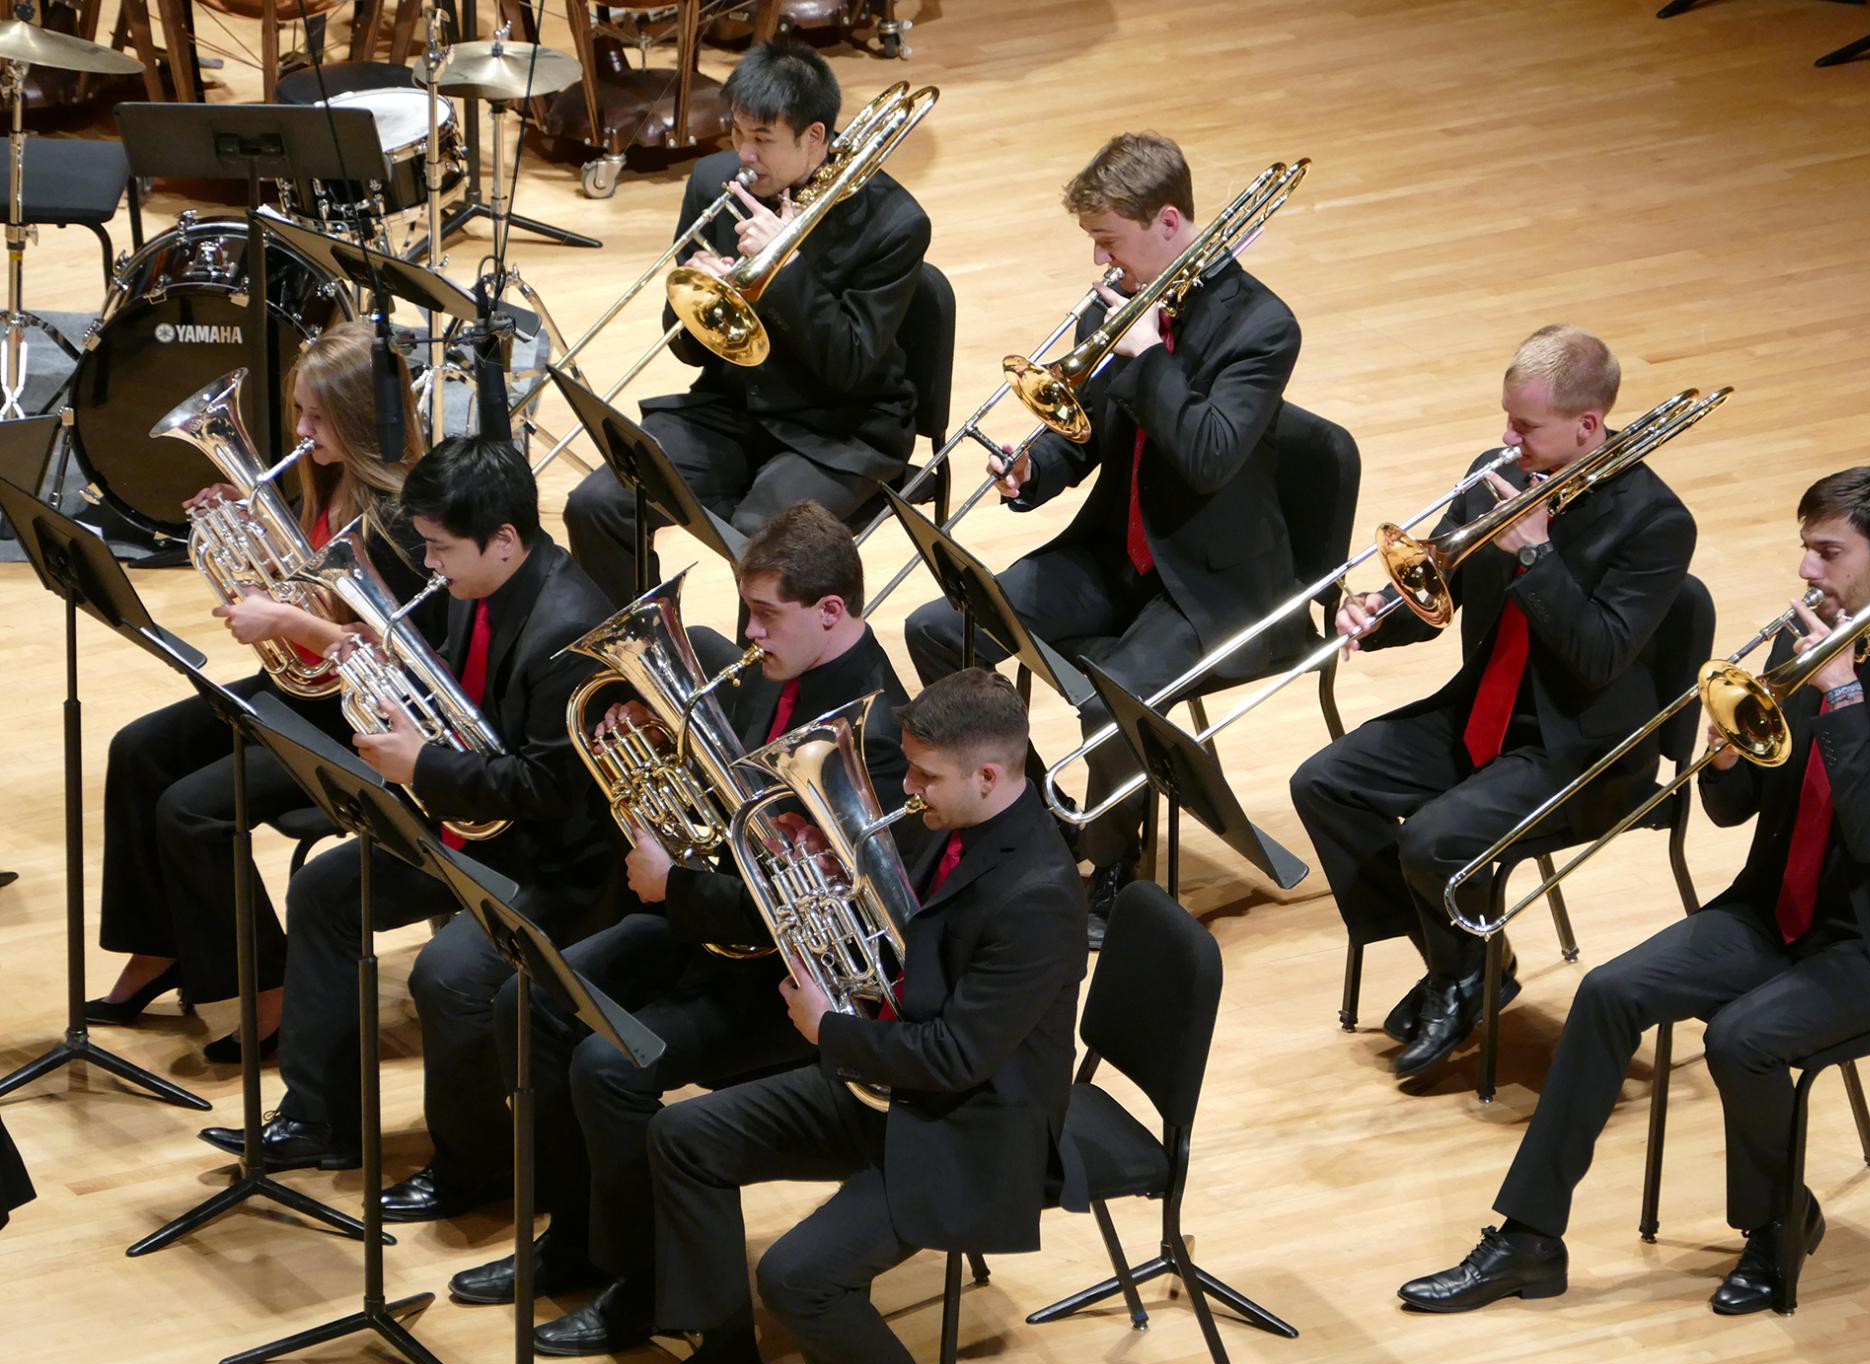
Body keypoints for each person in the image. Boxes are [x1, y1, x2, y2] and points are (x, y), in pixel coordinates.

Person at [1399, 467, 1870, 1316]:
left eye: (1828, 552)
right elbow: (1733, 810)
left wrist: (1847, 695)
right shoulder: (1807, 640)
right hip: (1776, 910)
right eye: (1806, 549)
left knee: (1740, 1039)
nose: (1807, 572)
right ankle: (1528, 1237)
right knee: (1607, 993)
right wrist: (1724, 758)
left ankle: (1777, 1225)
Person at [441, 502, 923, 1357]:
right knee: (531, 994)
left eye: (765, 613)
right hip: (709, 926)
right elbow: (738, 821)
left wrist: (676, 883)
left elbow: (807, 911)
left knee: (608, 1064)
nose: (746, 631)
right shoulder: (781, 670)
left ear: (831, 611)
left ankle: (644, 1286)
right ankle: (578, 1240)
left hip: (787, 982)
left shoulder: (869, 738)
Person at [618, 669, 1084, 1364]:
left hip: (971, 1130)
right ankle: (725, 1361)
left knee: (797, 1276)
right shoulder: (948, 823)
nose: (909, 788)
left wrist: (827, 1029)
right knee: (684, 1135)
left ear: (988, 776)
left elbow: (956, 1056)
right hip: (890, 1083)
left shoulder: (1039, 896)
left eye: (926, 776)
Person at [903, 132, 1305, 940]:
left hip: (1209, 581)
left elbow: (1209, 457)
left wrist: (1150, 356)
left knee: (1111, 699)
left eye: (1108, 241)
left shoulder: (1264, 327)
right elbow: (1086, 431)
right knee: (943, 625)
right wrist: (1035, 467)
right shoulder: (1128, 297)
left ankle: (1112, 866)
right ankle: (1034, 817)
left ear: (1166, 223)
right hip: (1115, 552)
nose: (1100, 263)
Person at [200, 436, 617, 1180]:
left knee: (447, 975)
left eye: (439, 548)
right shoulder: (478, 587)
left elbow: (549, 792)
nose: (427, 564)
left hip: (554, 865)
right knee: (324, 889)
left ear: (505, 541)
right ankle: (319, 1117)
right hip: (473, 829)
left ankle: (472, 1168)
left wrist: (420, 762)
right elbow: (455, 694)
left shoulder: (568, 632)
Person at [1289, 325, 1697, 1077]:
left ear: (1587, 425)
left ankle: (1459, 969)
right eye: (1507, 418)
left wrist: (1538, 553)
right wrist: (1377, 617)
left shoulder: (1656, 524)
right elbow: (1437, 592)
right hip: (1486, 709)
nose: (1506, 439)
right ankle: (1463, 962)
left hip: (1580, 745)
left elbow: (1600, 654)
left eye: (1525, 426)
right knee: (1325, 783)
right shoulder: (1496, 472)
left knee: (1433, 840)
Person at [89, 321, 434, 1062]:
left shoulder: (406, 516)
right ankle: (162, 947)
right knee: (139, 749)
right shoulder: (323, 481)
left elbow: (397, 655)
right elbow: (311, 600)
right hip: (307, 688)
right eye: (298, 413)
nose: (302, 431)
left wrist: (281, 615)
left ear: (360, 421)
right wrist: (247, 537)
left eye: (317, 417)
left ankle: (275, 993)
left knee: (192, 811)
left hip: (361, 718)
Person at [563, 38, 933, 605]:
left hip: (838, 428)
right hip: (735, 407)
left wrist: (784, 272)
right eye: (737, 132)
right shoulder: (716, 183)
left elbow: (849, 365)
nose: (744, 153)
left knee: (767, 550)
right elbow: (687, 348)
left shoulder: (895, 224)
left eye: (762, 139)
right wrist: (705, 292)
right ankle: (648, 661)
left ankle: (757, 689)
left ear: (814, 137)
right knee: (598, 504)